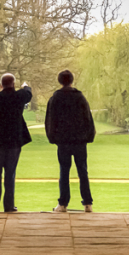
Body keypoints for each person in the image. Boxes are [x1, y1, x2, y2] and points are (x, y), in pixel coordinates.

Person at [45, 69, 96, 213]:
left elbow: (50, 120)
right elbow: (88, 118)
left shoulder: (55, 98)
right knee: (83, 171)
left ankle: (63, 204)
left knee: (64, 172)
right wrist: (88, 136)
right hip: (79, 141)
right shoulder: (80, 97)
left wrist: (53, 137)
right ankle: (87, 203)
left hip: (63, 141)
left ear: (60, 81)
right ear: (72, 80)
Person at [0, 73, 32, 213]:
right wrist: (26, 86)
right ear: (14, 84)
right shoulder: (19, 97)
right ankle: (9, 206)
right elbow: (28, 93)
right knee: (10, 174)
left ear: (1, 85)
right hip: (14, 143)